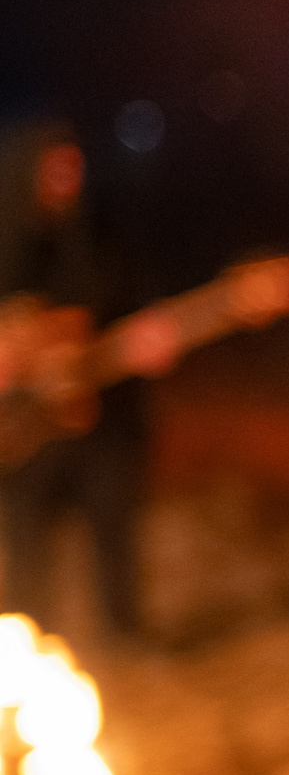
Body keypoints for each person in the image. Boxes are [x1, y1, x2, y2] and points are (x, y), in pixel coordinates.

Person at [0, 116, 152, 641]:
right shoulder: (9, 239)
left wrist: (140, 345)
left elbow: (123, 312)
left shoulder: (98, 240)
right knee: (26, 535)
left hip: (98, 418)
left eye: (74, 170)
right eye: (55, 171)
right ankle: (22, 637)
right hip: (25, 426)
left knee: (112, 517)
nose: (67, 182)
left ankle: (125, 634)